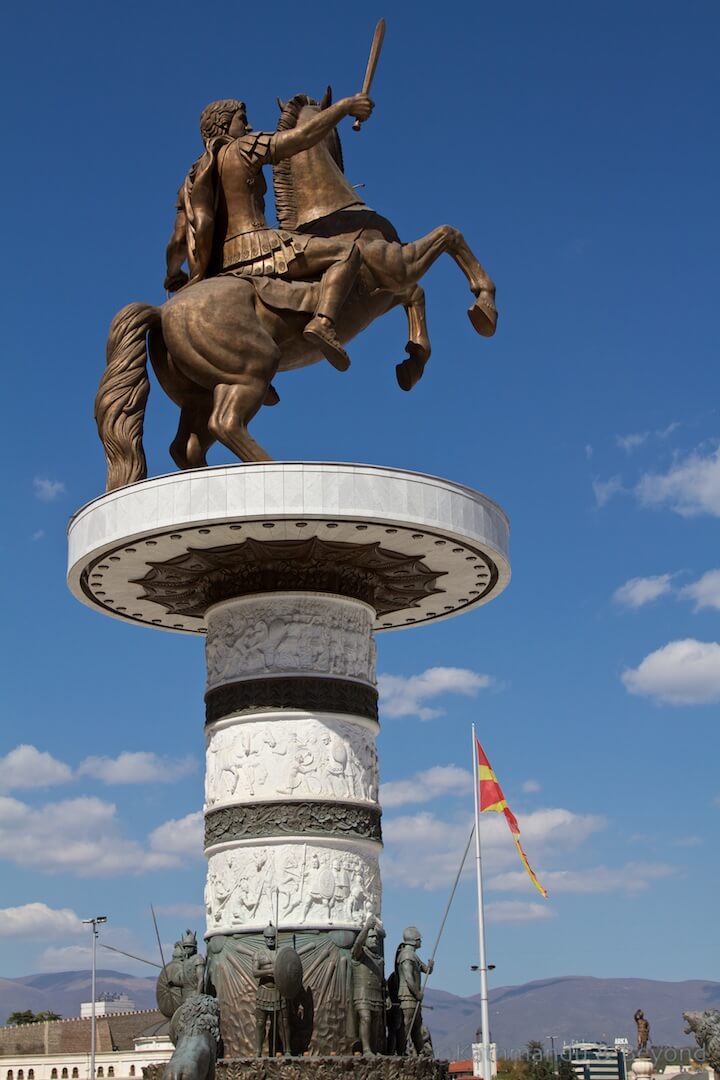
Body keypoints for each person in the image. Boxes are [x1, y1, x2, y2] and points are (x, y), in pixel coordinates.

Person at [164, 93, 374, 373]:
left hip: (221, 267)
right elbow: (301, 138)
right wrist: (344, 107)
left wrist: (174, 275)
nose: (248, 127)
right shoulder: (245, 147)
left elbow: (178, 241)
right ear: (226, 126)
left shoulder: (192, 177)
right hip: (259, 247)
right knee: (347, 252)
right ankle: (324, 321)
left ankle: (254, 371)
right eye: (243, 120)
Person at [394, 926, 434, 1056]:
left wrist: (430, 966)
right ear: (414, 940)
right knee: (406, 1026)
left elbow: (426, 970)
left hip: (414, 997)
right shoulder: (406, 955)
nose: (421, 941)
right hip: (408, 996)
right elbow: (408, 978)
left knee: (417, 1026)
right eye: (419, 939)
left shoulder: (413, 956)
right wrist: (417, 993)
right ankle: (400, 1052)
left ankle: (421, 1051)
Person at [253, 924, 291, 1056]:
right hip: (264, 991)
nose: (270, 940)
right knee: (260, 1023)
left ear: (276, 938)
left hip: (279, 991)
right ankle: (258, 1051)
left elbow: (289, 970)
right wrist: (270, 971)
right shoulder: (259, 953)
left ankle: (287, 1050)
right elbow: (255, 972)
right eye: (267, 938)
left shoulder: (282, 953)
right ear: (264, 938)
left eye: (272, 938)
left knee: (283, 1024)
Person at [351, 914, 386, 1055]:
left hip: (376, 994)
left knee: (376, 1023)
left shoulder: (379, 959)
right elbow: (357, 945)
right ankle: (366, 1049)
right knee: (366, 1018)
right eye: (371, 937)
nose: (375, 940)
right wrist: (366, 928)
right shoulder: (360, 954)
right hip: (363, 993)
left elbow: (382, 980)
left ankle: (374, 1048)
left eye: (376, 938)